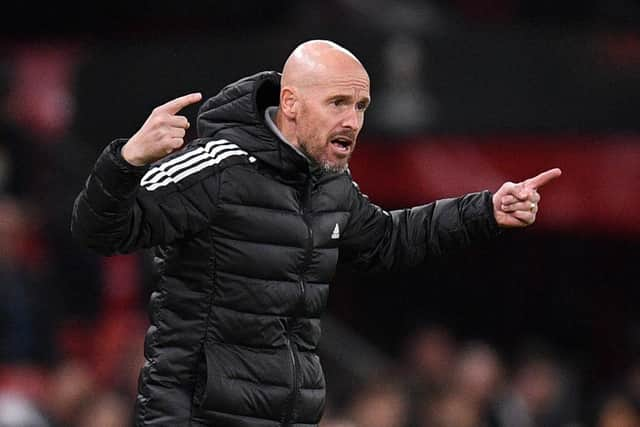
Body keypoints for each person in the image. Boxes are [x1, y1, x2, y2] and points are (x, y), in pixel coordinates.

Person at [70, 39, 561, 426]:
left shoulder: (329, 184)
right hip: (198, 416)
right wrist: (126, 160)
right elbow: (100, 233)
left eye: (362, 105)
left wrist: (485, 209)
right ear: (291, 103)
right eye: (339, 102)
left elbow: (387, 240)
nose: (353, 120)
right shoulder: (214, 165)